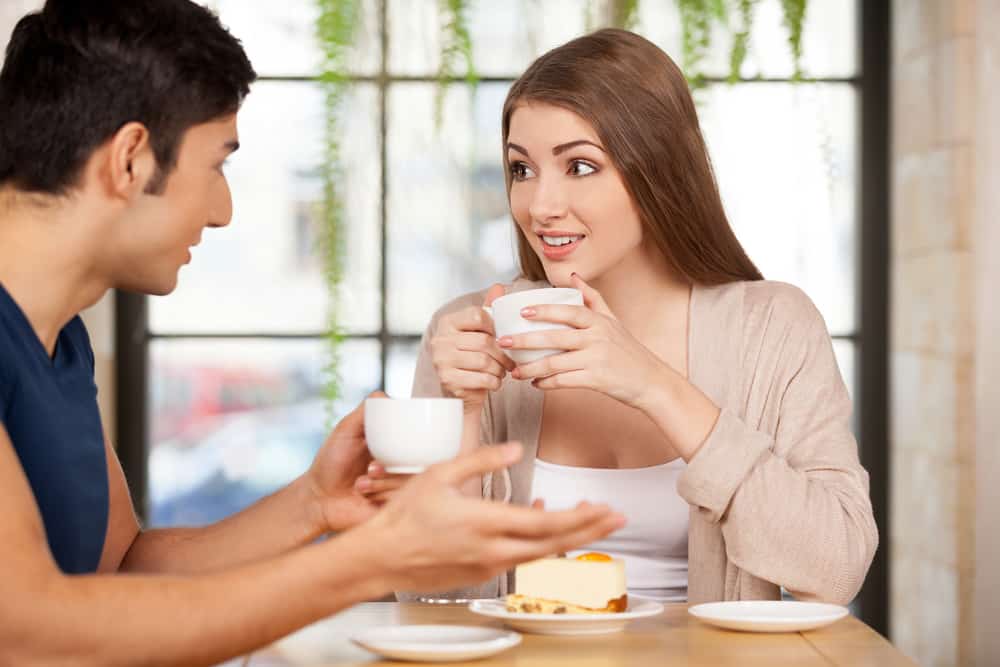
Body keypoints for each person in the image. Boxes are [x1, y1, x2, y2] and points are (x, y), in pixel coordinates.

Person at [0, 2, 626, 664]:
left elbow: (123, 572)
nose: (223, 211)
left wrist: (314, 505)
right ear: (129, 159)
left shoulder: (56, 337)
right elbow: (28, 626)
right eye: (216, 165)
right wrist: (372, 558)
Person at [359, 28, 878, 605]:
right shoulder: (469, 329)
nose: (540, 206)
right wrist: (463, 416)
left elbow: (836, 568)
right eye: (522, 169)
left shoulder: (772, 326)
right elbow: (430, 595)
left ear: (658, 169)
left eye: (580, 166)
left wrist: (655, 385)